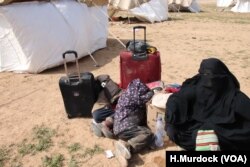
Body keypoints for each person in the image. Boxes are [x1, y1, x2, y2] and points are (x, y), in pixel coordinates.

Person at [166, 57, 250, 151]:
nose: (209, 81)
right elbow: (179, 97)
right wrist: (173, 108)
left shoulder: (233, 97)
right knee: (172, 129)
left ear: (222, 77)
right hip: (196, 128)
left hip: (223, 133)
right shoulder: (198, 87)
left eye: (212, 76)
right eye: (205, 74)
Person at [113, 79, 155, 166]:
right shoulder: (136, 97)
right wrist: (153, 92)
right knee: (147, 133)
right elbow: (148, 96)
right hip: (125, 128)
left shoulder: (125, 94)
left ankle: (107, 126)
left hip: (117, 128)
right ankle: (127, 148)